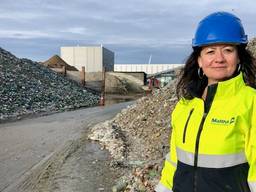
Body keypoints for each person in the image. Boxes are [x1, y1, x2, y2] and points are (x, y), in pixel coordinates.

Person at [155, 11, 256, 192]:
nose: (219, 58)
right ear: (200, 60)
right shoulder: (185, 106)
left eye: (228, 50)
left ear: (239, 56)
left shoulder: (251, 102)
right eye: (210, 51)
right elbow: (173, 159)